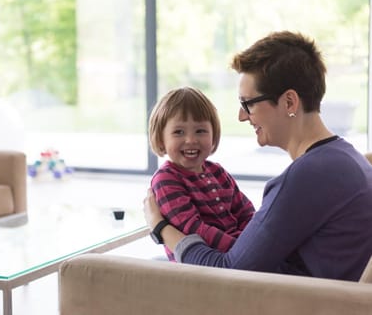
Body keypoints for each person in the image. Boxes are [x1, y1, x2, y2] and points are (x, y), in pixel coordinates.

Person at [144, 30, 372, 281]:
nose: (242, 116)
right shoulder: (348, 158)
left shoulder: (308, 177)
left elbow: (228, 272)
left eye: (248, 103)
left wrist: (161, 228)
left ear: (289, 103)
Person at [148, 86, 255, 261]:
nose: (191, 140)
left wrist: (251, 241)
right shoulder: (166, 179)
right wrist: (239, 247)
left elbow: (246, 212)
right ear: (161, 139)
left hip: (236, 253)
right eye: (178, 132)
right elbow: (192, 228)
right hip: (199, 264)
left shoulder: (218, 172)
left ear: (214, 135)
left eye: (200, 131)